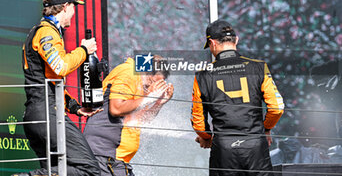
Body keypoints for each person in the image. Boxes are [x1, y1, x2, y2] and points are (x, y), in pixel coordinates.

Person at [17, 0, 101, 176]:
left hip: (41, 113)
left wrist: (74, 107)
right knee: (90, 170)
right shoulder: (46, 32)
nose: (74, 12)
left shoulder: (47, 31)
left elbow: (52, 79)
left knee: (62, 172)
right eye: (73, 7)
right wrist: (84, 50)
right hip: (45, 114)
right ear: (65, 7)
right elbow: (61, 66)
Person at [191, 19, 285, 176]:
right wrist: (266, 128)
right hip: (256, 147)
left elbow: (198, 123)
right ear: (236, 40)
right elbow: (277, 108)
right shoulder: (259, 67)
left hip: (223, 151)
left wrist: (206, 137)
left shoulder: (202, 75)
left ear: (212, 43)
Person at [84, 56, 174, 176]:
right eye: (153, 81)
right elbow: (116, 109)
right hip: (105, 156)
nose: (153, 87)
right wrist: (150, 97)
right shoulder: (128, 72)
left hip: (116, 160)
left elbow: (139, 119)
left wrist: (158, 103)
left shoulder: (140, 83)